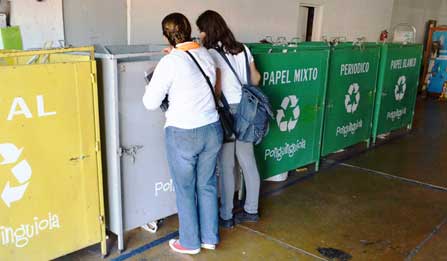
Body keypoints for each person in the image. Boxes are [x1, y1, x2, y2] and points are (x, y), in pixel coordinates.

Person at [142, 13, 223, 255]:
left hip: (184, 133)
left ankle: (189, 242)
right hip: (212, 129)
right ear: (189, 30)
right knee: (207, 185)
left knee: (185, 189)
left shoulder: (171, 62)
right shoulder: (205, 54)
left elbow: (150, 102)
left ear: (166, 35)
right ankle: (210, 237)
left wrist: (160, 72)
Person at [196, 10, 262, 228]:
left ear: (208, 30)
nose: (200, 34)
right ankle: (251, 210)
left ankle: (226, 215)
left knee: (226, 165)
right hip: (246, 109)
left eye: (201, 30)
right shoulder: (243, 48)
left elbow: (216, 89)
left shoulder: (210, 53)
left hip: (226, 111)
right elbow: (256, 78)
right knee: (248, 162)